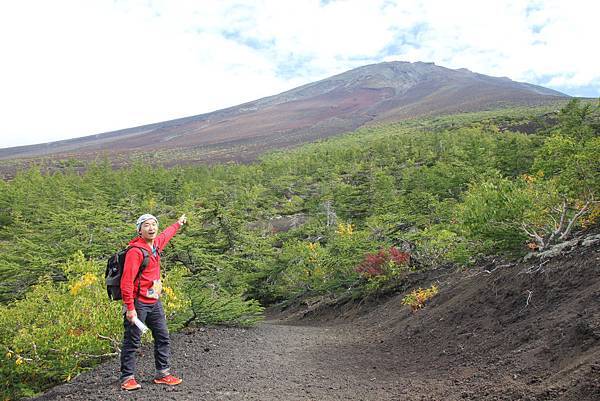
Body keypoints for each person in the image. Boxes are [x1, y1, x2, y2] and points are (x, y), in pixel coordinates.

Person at [119, 213, 187, 391]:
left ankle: (162, 374)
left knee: (163, 336)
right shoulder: (135, 251)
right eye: (146, 225)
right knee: (132, 340)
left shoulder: (155, 245)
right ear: (139, 230)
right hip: (138, 303)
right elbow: (126, 282)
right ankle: (127, 378)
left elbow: (166, 235)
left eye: (154, 224)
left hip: (154, 302)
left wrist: (178, 224)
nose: (151, 228)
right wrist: (130, 308)